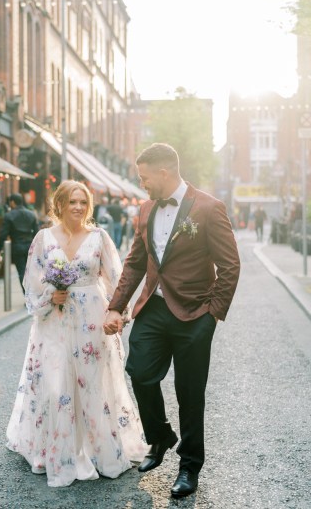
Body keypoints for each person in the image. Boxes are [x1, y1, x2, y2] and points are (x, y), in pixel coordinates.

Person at [104, 143, 240, 499]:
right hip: (155, 308)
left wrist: (212, 313)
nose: (142, 184)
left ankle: (189, 465)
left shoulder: (209, 208)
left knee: (190, 392)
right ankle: (160, 434)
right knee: (139, 371)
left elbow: (230, 265)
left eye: (144, 177)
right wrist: (116, 306)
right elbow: (135, 262)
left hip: (196, 314)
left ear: (164, 173)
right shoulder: (146, 208)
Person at [6, 180, 147, 487]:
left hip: (90, 321)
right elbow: (32, 281)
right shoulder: (44, 238)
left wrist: (117, 314)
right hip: (53, 322)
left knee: (91, 382)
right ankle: (62, 451)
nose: (78, 207)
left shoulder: (99, 237)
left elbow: (117, 279)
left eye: (83, 201)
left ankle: (96, 448)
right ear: (60, 204)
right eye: (72, 201)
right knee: (57, 384)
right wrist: (48, 297)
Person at [0, 193, 38, 289]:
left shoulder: (9, 215)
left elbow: (3, 234)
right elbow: (37, 233)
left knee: (22, 272)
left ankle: (27, 297)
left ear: (12, 202)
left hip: (17, 246)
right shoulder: (31, 214)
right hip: (30, 246)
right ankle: (32, 297)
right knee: (31, 272)